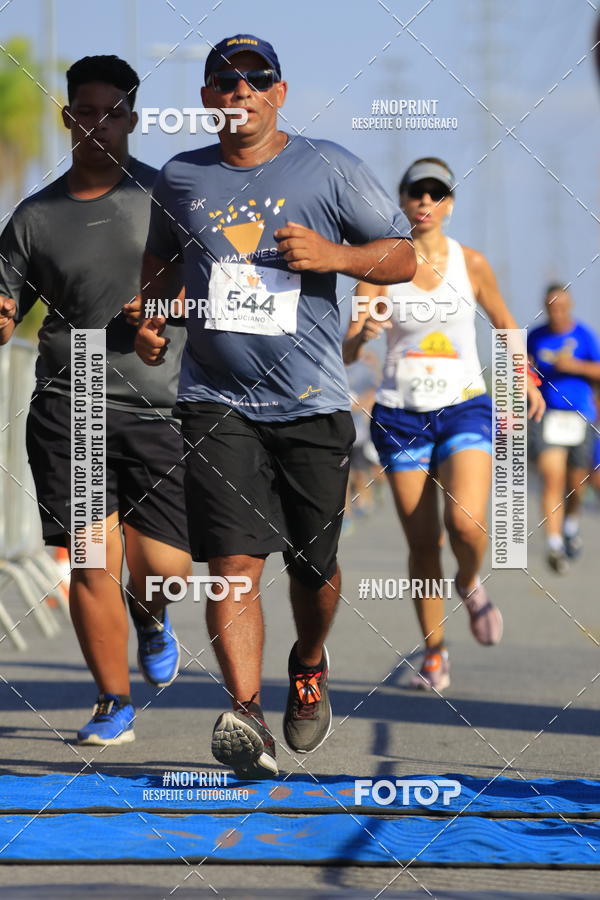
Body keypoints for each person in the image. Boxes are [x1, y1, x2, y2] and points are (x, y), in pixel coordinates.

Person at [135, 34, 416, 778]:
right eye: (225, 81)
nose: (241, 91)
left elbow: (402, 254)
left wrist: (337, 258)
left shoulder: (326, 167)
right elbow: (161, 260)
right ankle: (247, 716)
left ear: (279, 93)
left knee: (314, 566)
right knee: (233, 565)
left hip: (311, 400)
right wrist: (155, 313)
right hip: (214, 400)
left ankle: (309, 659)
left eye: (256, 79)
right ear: (206, 99)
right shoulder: (181, 176)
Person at [0, 56, 191, 745]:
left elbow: (207, 288)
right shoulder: (34, 216)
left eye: (114, 113)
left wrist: (165, 314)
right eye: (87, 111)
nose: (99, 125)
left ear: (133, 120)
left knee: (165, 567)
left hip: (159, 407)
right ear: (67, 118)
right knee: (89, 556)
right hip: (70, 402)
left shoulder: (167, 198)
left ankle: (152, 614)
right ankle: (112, 701)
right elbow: (6, 301)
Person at [344, 157, 545, 691]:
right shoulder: (382, 265)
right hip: (400, 412)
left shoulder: (470, 262)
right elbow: (350, 345)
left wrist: (523, 376)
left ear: (450, 203)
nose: (426, 203)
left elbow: (504, 324)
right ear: (403, 202)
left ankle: (470, 580)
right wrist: (364, 334)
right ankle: (435, 653)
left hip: (464, 403)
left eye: (437, 194)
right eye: (417, 193)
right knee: (423, 543)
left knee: (466, 524)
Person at [527, 284, 600, 574]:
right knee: (551, 479)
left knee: (576, 484)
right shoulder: (535, 337)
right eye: (550, 306)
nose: (555, 311)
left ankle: (570, 525)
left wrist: (575, 367)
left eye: (560, 306)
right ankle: (554, 544)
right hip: (547, 416)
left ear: (569, 306)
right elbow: (524, 371)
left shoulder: (583, 335)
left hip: (579, 416)